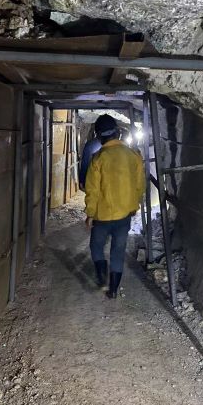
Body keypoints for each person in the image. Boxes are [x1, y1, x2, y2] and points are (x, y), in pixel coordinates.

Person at [85, 114, 145, 299]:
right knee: (118, 251)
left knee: (96, 246)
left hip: (102, 215)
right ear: (117, 133)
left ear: (99, 136)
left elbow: (92, 190)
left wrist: (90, 213)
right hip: (124, 215)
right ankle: (113, 289)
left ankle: (102, 277)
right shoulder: (133, 156)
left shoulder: (98, 158)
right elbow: (139, 185)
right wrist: (134, 205)